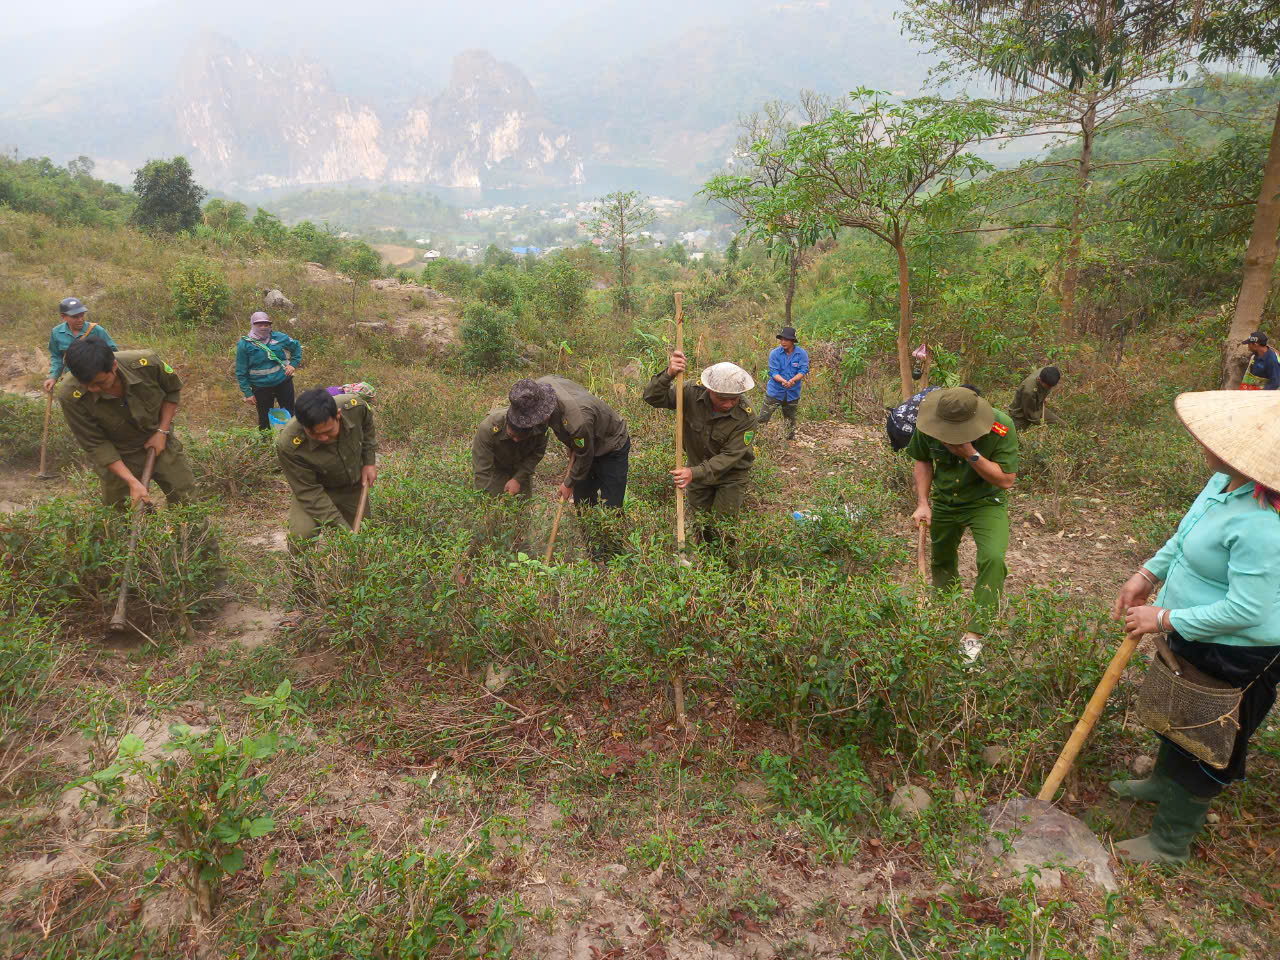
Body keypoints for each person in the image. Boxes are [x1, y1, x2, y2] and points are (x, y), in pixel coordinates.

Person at [1110, 390, 1280, 865]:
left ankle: (1170, 843)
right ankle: (1163, 781)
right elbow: (1184, 539)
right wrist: (1146, 574)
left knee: (1209, 733)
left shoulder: (1267, 524)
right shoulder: (1223, 482)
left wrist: (1160, 617)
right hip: (1194, 629)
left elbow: (1246, 610)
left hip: (1239, 650)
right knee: (1179, 708)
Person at [908, 387, 1019, 660]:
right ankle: (947, 615)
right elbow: (922, 460)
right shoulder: (929, 421)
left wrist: (971, 453)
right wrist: (923, 501)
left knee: (993, 558)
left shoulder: (1001, 426)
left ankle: (975, 635)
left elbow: (1006, 480)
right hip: (946, 500)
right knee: (942, 558)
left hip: (986, 502)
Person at [57, 339, 195, 508]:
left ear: (113, 366)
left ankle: (192, 534)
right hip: (118, 453)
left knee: (186, 498)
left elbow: (172, 391)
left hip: (159, 439)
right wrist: (131, 481)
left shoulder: (146, 364)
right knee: (123, 512)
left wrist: (162, 432)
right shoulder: (69, 395)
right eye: (86, 384)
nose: (92, 389)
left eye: (99, 383)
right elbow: (95, 443)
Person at [643, 351, 756, 537]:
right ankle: (703, 563)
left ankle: (724, 565)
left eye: (734, 399)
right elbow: (652, 398)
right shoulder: (690, 392)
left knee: (724, 529)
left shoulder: (746, 416)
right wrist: (669, 374)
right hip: (696, 472)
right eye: (722, 399)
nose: (728, 404)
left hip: (730, 476)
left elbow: (730, 457)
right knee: (701, 526)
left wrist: (692, 473)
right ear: (708, 390)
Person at [503, 377, 631, 510]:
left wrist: (569, 483)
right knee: (583, 503)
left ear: (543, 414)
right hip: (585, 439)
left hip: (611, 444)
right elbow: (579, 447)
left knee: (612, 507)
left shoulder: (577, 422)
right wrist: (573, 445)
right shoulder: (533, 393)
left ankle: (611, 528)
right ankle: (587, 529)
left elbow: (585, 454)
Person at [276, 387, 377, 545]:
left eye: (329, 431)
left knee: (366, 537)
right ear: (303, 426)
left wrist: (369, 462)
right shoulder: (289, 444)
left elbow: (367, 425)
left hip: (353, 485)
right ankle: (301, 570)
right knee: (301, 536)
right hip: (316, 490)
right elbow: (308, 490)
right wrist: (342, 528)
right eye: (315, 434)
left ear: (338, 415)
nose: (323, 438)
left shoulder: (354, 406)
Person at [236, 312, 302, 430]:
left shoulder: (279, 337)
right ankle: (266, 444)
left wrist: (293, 364)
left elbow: (296, 347)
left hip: (283, 382)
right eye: (259, 324)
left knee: (290, 413)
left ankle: (291, 439)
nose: (263, 327)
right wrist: (248, 393)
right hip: (261, 387)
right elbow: (241, 371)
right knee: (264, 419)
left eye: (266, 325)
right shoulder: (245, 344)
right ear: (252, 325)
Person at [471, 402, 549, 498]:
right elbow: (482, 471)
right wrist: (483, 502)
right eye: (512, 435)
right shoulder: (488, 429)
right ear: (507, 423)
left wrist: (518, 478)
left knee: (521, 505)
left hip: (521, 465)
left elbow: (536, 454)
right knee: (492, 500)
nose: (516, 440)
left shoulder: (540, 428)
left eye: (521, 437)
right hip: (497, 467)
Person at [44, 296, 118, 393]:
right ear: (63, 316)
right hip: (72, 379)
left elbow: (113, 352)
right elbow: (57, 357)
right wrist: (53, 377)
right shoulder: (56, 333)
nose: (80, 319)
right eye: (75, 317)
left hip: (96, 379)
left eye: (82, 315)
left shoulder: (96, 330)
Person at [886, 384, 982, 452]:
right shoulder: (949, 406)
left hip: (892, 419)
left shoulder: (937, 389)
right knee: (912, 457)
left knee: (897, 456)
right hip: (905, 430)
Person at [757, 325, 809, 441]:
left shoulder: (801, 354)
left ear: (792, 341)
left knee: (790, 420)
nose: (783, 342)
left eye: (786, 340)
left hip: (792, 393)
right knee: (763, 417)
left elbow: (803, 370)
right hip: (775, 392)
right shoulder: (774, 353)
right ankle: (758, 439)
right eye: (781, 339)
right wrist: (784, 381)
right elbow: (773, 372)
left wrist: (793, 380)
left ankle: (789, 442)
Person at [1008, 365, 1062, 432]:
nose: (1049, 389)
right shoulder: (1029, 391)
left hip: (1037, 407)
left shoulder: (1047, 372)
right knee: (1011, 437)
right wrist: (1042, 424)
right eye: (1047, 387)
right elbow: (1030, 414)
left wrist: (1043, 396)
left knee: (1061, 426)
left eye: (1051, 387)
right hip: (1021, 415)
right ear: (1039, 379)